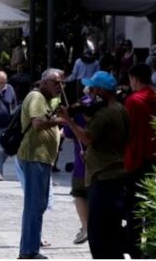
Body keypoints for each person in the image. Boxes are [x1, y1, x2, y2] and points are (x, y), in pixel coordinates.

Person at [58, 71, 129, 259]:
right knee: (112, 231)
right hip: (117, 175)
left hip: (103, 178)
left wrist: (69, 120)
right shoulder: (121, 109)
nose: (91, 92)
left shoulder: (104, 113)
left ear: (101, 90)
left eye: (94, 89)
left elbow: (87, 138)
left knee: (98, 235)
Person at [16, 68, 65, 260]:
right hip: (34, 156)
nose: (60, 86)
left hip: (43, 158)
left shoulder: (49, 100)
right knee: (34, 205)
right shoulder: (36, 97)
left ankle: (30, 248)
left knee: (39, 204)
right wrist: (63, 120)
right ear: (44, 82)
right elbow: (37, 123)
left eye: (62, 83)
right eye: (56, 82)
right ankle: (28, 251)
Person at [123, 63, 156, 258]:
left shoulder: (133, 101)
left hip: (136, 160)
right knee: (155, 207)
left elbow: (127, 132)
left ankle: (136, 250)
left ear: (135, 79)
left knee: (135, 209)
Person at [62, 94, 91, 246]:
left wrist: (69, 120)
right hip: (103, 164)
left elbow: (67, 133)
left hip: (82, 162)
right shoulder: (107, 106)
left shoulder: (78, 108)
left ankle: (85, 227)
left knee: (79, 193)